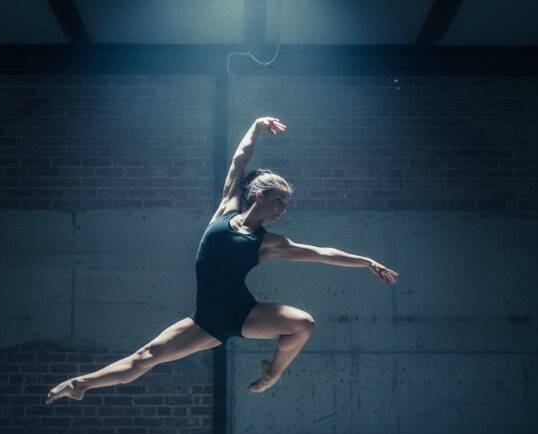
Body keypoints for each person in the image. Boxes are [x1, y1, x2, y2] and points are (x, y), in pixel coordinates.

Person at [46, 117, 398, 404]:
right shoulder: (226, 209)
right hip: (207, 321)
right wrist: (256, 126)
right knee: (145, 357)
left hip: (243, 313)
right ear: (259, 195)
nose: (283, 208)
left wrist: (366, 261)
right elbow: (239, 160)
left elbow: (322, 253)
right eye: (280, 201)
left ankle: (272, 373)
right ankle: (81, 384)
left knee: (303, 323)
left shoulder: (268, 244)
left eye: (286, 204)